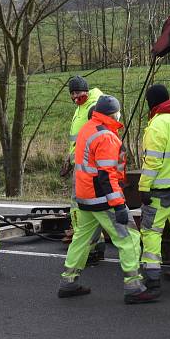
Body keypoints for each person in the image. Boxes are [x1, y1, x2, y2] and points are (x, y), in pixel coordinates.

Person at [59, 95, 158, 304]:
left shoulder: (87, 129)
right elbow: (106, 175)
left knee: (82, 239)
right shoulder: (106, 137)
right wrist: (119, 205)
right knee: (129, 237)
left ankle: (68, 281)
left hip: (84, 196)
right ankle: (133, 287)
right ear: (113, 113)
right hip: (102, 199)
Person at [138, 84, 170, 288]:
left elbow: (152, 161)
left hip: (160, 193)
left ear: (152, 103)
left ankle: (152, 276)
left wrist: (143, 187)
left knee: (151, 231)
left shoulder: (157, 124)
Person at [61, 75, 105, 263]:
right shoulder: (81, 107)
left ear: (86, 91)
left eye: (78, 92)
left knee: (80, 208)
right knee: (87, 208)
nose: (74, 96)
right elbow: (77, 141)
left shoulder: (94, 105)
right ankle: (95, 245)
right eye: (72, 93)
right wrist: (69, 158)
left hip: (87, 168)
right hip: (79, 164)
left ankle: (85, 248)